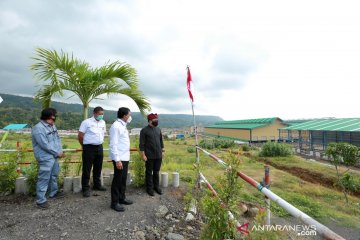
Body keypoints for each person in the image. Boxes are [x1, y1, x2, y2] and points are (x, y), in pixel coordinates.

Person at [32, 108, 65, 209]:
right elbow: (44, 144)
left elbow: (57, 139)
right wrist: (57, 152)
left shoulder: (52, 126)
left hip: (54, 156)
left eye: (54, 118)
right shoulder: (38, 128)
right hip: (45, 157)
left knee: (53, 175)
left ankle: (53, 193)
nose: (54, 120)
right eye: (52, 118)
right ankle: (40, 200)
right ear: (46, 117)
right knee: (44, 178)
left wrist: (60, 150)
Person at [78, 106, 107, 197]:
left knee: (98, 167)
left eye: (102, 114)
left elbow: (103, 134)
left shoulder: (103, 122)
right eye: (99, 114)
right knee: (87, 168)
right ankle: (85, 188)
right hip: (89, 148)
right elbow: (80, 135)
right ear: (94, 113)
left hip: (99, 147)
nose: (101, 116)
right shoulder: (86, 122)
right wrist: (84, 146)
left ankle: (97, 185)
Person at [109, 107, 134, 212]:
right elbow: (113, 144)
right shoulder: (116, 126)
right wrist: (117, 160)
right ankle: (114, 203)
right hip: (119, 158)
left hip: (124, 157)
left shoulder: (123, 126)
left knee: (123, 179)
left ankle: (121, 198)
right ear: (124, 116)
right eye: (129, 115)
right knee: (117, 180)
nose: (130, 117)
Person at [139, 113, 164, 196]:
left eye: (157, 120)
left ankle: (156, 187)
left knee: (156, 172)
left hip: (158, 155)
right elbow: (141, 144)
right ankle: (149, 188)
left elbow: (161, 141)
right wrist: (143, 155)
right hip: (149, 155)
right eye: (155, 120)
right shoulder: (144, 130)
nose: (157, 121)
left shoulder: (158, 129)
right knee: (149, 172)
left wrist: (163, 151)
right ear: (150, 121)